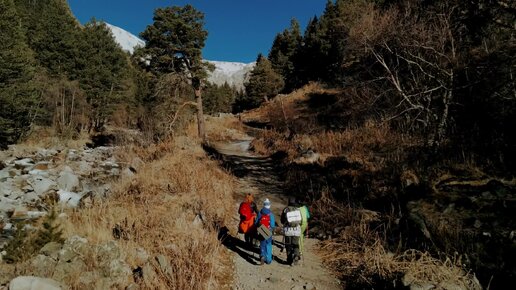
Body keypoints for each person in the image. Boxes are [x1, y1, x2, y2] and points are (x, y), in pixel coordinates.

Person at [281, 197, 302, 265]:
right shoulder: (298, 210)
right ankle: (296, 255)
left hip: (288, 230)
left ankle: (289, 260)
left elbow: (282, 220)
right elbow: (300, 221)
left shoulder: (286, 209)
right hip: (297, 230)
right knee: (296, 244)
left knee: (288, 245)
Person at [255, 198, 276, 265]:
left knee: (262, 244)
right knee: (268, 244)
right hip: (268, 231)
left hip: (261, 230)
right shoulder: (271, 214)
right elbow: (272, 225)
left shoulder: (260, 213)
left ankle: (262, 256)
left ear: (264, 205)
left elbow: (256, 223)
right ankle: (268, 259)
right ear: (269, 205)